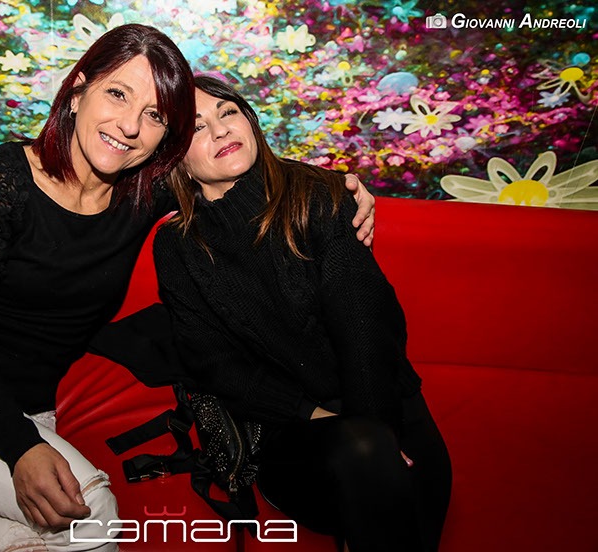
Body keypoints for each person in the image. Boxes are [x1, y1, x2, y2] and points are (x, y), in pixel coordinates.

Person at [0, 23, 376, 551]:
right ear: (77, 90)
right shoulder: (4, 177)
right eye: (117, 94)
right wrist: (21, 448)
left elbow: (229, 163)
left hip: (30, 411)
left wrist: (334, 186)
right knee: (91, 513)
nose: (130, 126)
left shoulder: (141, 193)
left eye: (154, 116)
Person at [153, 76, 452, 552]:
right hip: (294, 431)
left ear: (249, 120)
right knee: (363, 453)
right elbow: (213, 363)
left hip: (384, 404)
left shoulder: (321, 195)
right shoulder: (177, 245)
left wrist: (378, 432)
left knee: (385, 477)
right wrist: (313, 415)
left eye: (227, 112)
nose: (220, 130)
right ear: (177, 160)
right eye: (197, 128)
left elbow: (367, 329)